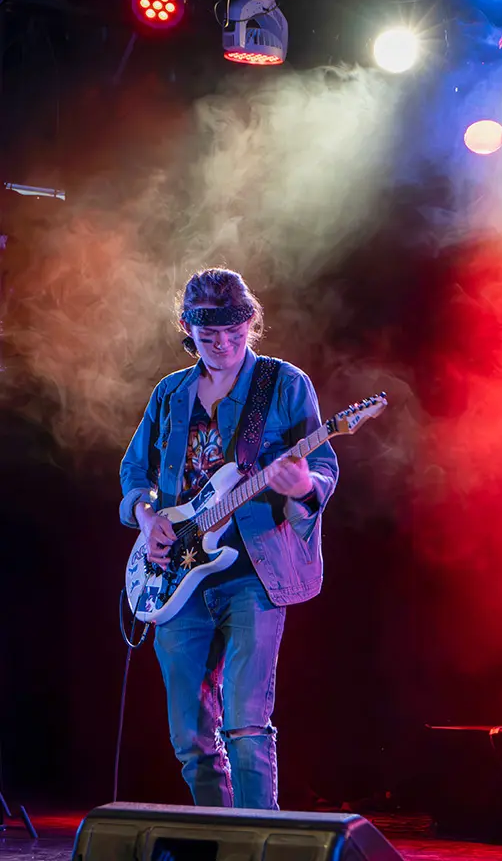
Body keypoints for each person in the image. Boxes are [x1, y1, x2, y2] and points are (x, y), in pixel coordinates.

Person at [119, 268, 339, 810]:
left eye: (235, 336)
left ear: (251, 327)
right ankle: (219, 838)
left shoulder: (283, 384)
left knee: (246, 724)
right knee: (189, 740)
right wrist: (149, 518)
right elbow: (134, 476)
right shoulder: (170, 394)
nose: (222, 346)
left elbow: (323, 469)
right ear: (186, 329)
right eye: (209, 336)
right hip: (176, 579)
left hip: (253, 575)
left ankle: (258, 844)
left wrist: (303, 485)